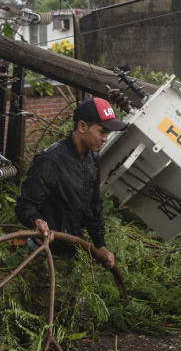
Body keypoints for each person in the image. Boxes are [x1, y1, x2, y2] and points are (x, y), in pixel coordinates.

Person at [16, 96, 128, 269]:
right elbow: (25, 205)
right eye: (102, 132)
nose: (105, 138)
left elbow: (94, 206)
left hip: (73, 253)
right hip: (45, 256)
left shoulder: (92, 158)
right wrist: (36, 220)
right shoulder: (50, 161)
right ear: (82, 126)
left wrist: (100, 245)